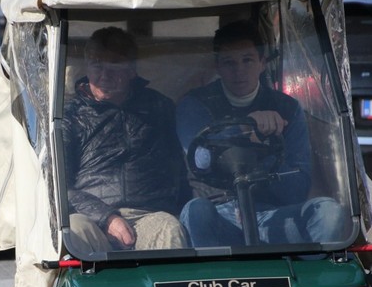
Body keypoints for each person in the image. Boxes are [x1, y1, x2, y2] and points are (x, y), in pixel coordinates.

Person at [176, 20, 345, 246]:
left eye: (247, 60)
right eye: (229, 63)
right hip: (218, 215)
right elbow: (202, 160)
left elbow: (297, 188)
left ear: (262, 63)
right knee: (195, 210)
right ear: (217, 67)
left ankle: (305, 277)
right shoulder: (195, 104)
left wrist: (263, 148)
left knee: (329, 212)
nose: (239, 71)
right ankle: (216, 278)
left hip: (273, 216)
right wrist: (246, 129)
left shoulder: (287, 108)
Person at [61, 26, 190, 254]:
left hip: (149, 214)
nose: (104, 75)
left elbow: (179, 168)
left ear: (132, 70)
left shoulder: (159, 107)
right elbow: (59, 185)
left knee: (170, 228)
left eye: (114, 65)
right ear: (87, 67)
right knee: (74, 231)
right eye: (97, 65)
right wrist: (107, 217)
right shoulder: (69, 116)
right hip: (91, 216)